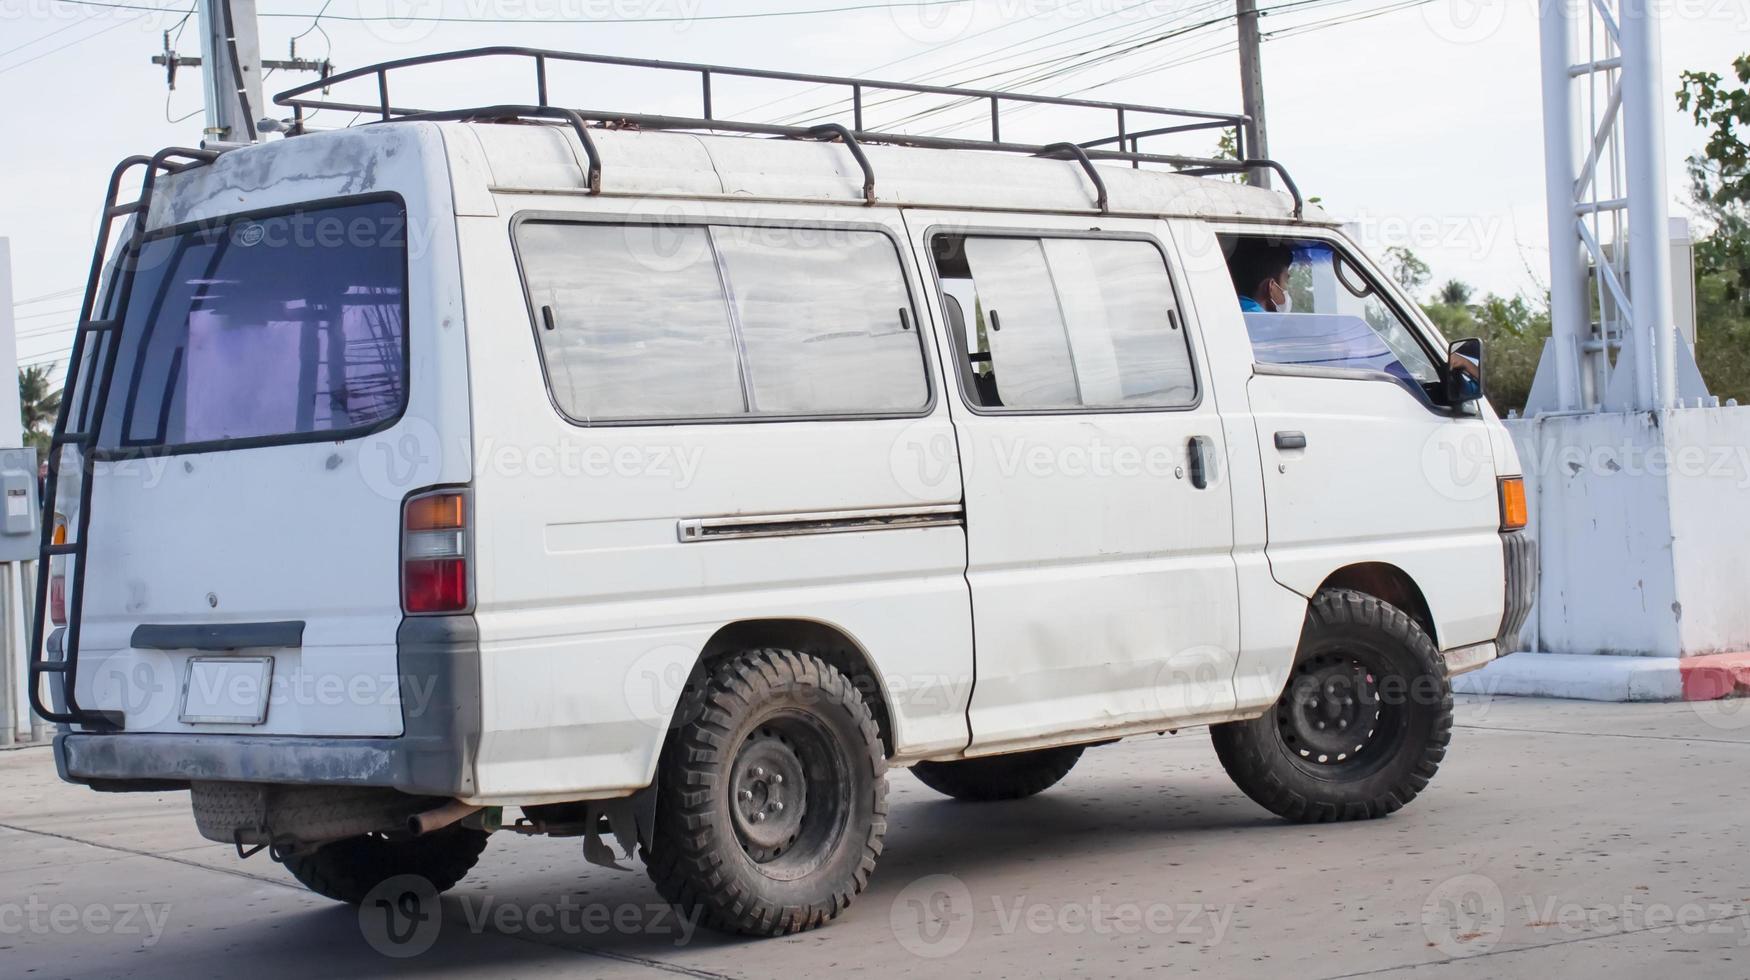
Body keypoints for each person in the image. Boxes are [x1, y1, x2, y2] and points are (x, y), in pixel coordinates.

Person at [1227, 241, 1295, 313]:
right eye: (1286, 281)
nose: (1287, 290)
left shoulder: (1231, 307)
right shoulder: (1260, 321)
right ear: (1271, 286)